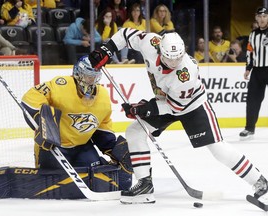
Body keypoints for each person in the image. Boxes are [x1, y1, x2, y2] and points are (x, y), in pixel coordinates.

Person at [87, 28, 268, 205]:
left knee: (217, 148)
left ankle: (260, 182)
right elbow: (126, 34)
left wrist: (145, 109)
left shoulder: (185, 74)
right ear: (159, 50)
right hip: (165, 100)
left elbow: (175, 107)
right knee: (135, 132)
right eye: (169, 59)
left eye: (178, 58)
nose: (174, 63)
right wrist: (107, 48)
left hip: (192, 105)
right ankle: (145, 185)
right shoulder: (151, 42)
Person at [21, 56, 132, 191]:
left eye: (94, 77)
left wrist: (113, 149)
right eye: (88, 76)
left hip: (82, 146)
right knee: (54, 182)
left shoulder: (102, 96)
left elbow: (101, 130)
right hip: (54, 146)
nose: (91, 80)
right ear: (78, 73)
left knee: (95, 176)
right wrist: (42, 121)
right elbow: (30, 97)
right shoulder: (60, 84)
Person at [239, 7, 268, 139]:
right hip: (257, 71)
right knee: (252, 100)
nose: (262, 19)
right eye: (259, 16)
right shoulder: (253, 34)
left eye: (264, 16)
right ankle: (249, 128)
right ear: (256, 18)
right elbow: (250, 52)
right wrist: (248, 68)